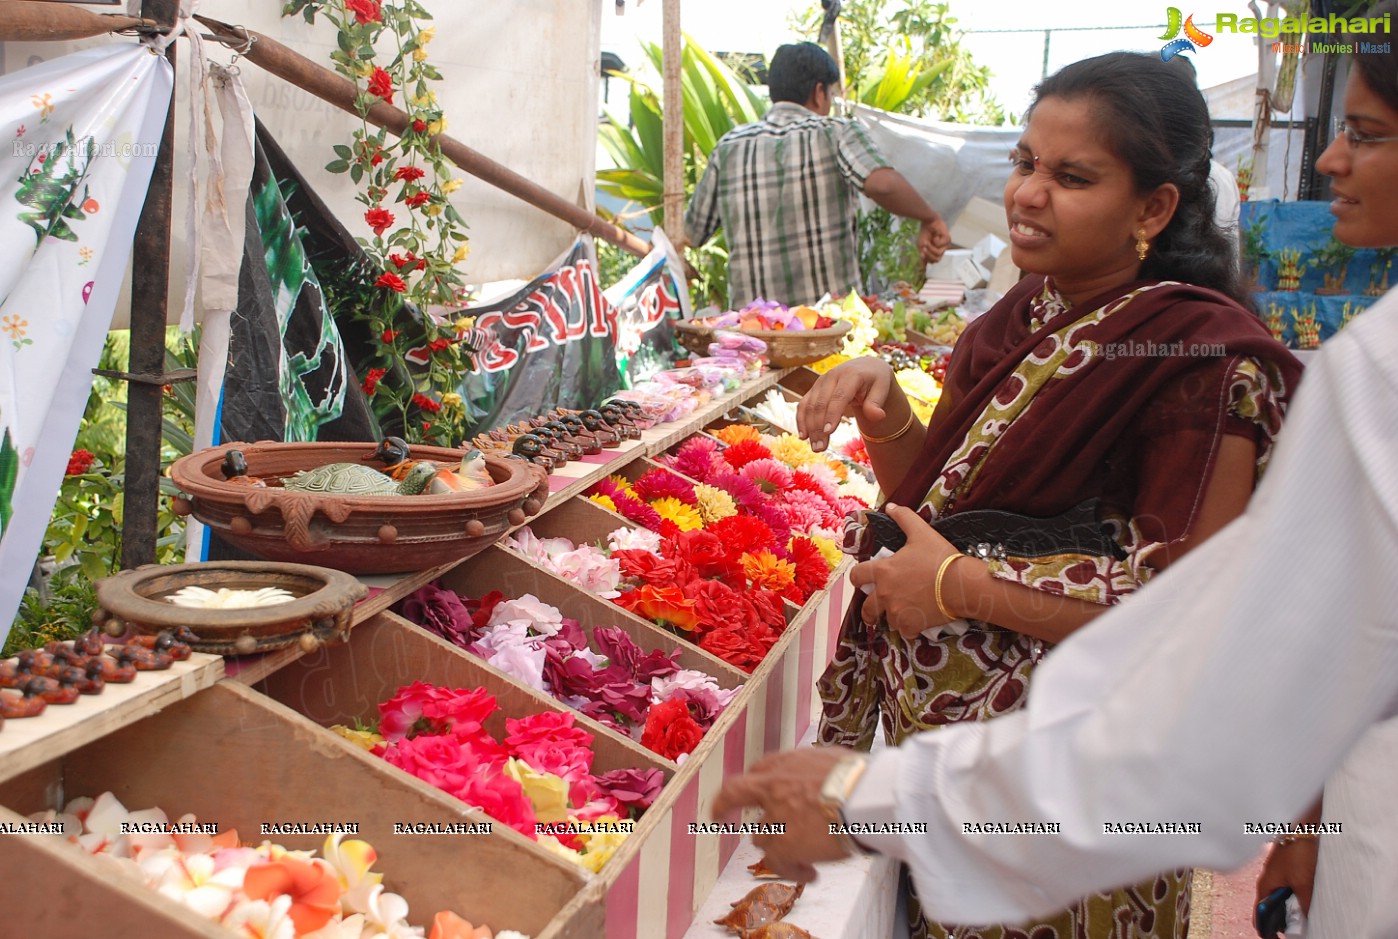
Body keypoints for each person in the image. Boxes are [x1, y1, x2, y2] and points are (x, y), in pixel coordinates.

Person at [713, 24, 1398, 939]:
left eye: (1073, 179)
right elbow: (938, 510)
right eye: (1027, 161)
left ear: (1153, 209)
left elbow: (1193, 622)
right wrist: (892, 419)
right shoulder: (1010, 320)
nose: (1028, 194)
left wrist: (960, 589)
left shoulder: (1196, 362)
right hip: (957, 750)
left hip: (1078, 789)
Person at [684, 41, 950, 308]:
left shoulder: (729, 147)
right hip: (825, 331)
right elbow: (882, 184)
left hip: (755, 334)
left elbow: (690, 235)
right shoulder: (834, 132)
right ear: (819, 92)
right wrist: (929, 217)